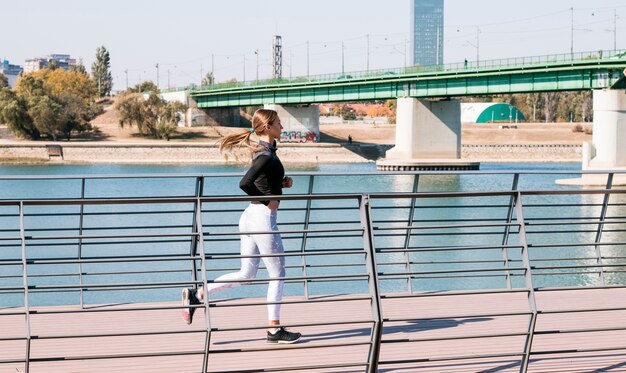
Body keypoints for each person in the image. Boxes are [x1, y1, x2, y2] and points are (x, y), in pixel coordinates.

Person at [181, 109, 301, 344]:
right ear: (268, 127)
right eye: (278, 123)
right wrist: (269, 199)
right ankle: (274, 330)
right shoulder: (266, 155)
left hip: (250, 216)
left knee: (247, 274)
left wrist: (280, 185)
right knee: (278, 274)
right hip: (262, 218)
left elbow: (260, 182)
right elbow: (245, 183)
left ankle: (196, 296)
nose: (282, 127)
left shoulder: (265, 152)